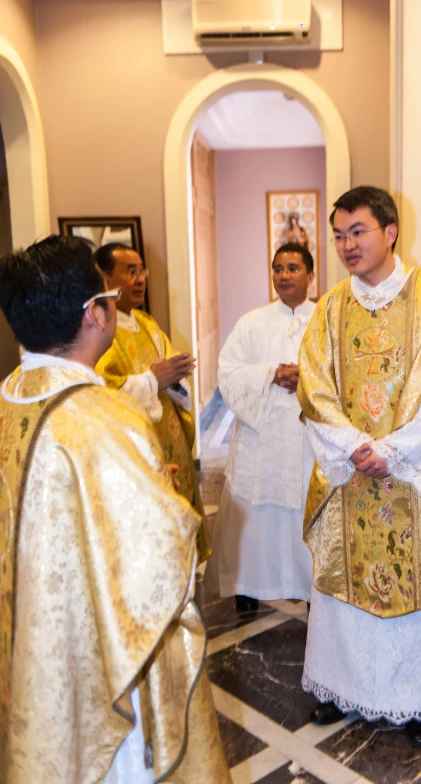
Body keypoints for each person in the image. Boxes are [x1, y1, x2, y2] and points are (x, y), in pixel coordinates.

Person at [0, 236, 230, 784]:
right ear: (95, 314)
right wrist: (162, 497)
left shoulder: (8, 399)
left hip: (28, 650)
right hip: (101, 664)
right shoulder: (106, 420)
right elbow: (157, 570)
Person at [297, 187, 421, 747]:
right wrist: (349, 448)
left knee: (416, 589)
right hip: (349, 476)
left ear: (389, 232)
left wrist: (394, 451)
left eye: (357, 231)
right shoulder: (331, 308)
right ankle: (342, 690)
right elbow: (314, 391)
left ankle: (414, 703)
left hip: (415, 476)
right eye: (337, 235)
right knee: (343, 595)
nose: (346, 245)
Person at [207, 243, 316, 612]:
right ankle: (248, 586)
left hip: (307, 436)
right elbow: (228, 373)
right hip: (262, 434)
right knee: (255, 511)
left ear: (310, 276)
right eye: (278, 268)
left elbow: (340, 376)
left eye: (293, 268)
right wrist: (271, 374)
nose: (284, 275)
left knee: (305, 505)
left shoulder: (326, 320)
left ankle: (312, 587)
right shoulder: (251, 323)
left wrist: (307, 378)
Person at [93, 243, 211, 563]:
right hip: (137, 448)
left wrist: (175, 379)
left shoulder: (147, 324)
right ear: (104, 278)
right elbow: (100, 392)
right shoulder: (99, 330)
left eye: (141, 270)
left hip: (171, 442)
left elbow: (173, 387)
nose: (141, 279)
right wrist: (151, 380)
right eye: (130, 272)